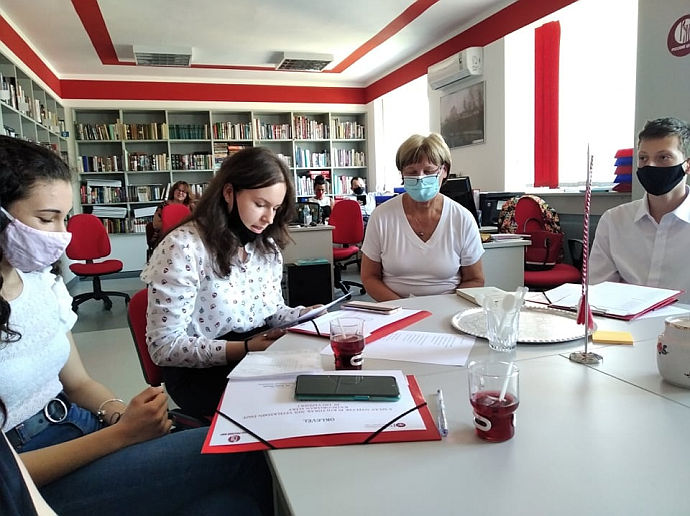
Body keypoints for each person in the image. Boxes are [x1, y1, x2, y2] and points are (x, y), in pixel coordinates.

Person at [0, 136, 272, 516]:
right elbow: (7, 477)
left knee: (229, 504)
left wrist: (118, 412)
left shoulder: (42, 284)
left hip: (79, 427)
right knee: (244, 451)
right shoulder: (185, 245)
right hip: (30, 475)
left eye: (65, 218)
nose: (63, 235)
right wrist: (121, 435)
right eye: (47, 219)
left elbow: (78, 384)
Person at [141, 147, 321, 417]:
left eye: (275, 208)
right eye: (260, 204)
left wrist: (303, 315)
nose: (269, 218)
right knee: (290, 407)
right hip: (201, 372)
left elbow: (271, 311)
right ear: (228, 193)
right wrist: (244, 348)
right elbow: (164, 347)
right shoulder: (182, 247)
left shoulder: (264, 245)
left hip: (257, 352)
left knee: (321, 383)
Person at [361, 133, 485, 301]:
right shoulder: (381, 216)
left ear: (444, 170)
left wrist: (442, 308)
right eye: (411, 172)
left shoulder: (462, 218)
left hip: (448, 309)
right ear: (402, 174)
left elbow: (475, 279)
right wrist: (404, 309)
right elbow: (369, 277)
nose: (420, 178)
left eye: (429, 171)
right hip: (395, 309)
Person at [590, 117, 690, 303]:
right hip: (623, 320)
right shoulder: (614, 220)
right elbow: (598, 292)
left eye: (663, 157)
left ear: (687, 165)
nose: (650, 165)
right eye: (643, 158)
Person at [147, 180, 193, 251]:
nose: (180, 193)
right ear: (173, 191)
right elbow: (156, 224)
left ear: (187, 194)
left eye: (183, 191)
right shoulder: (163, 205)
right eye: (178, 190)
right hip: (164, 236)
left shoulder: (191, 207)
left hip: (184, 236)